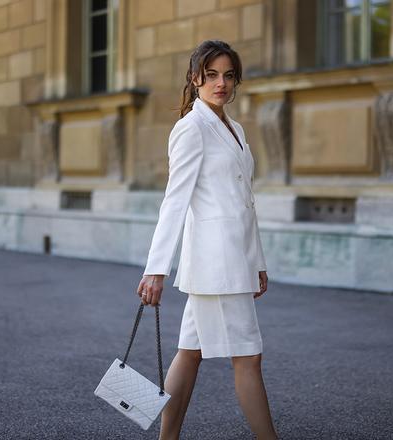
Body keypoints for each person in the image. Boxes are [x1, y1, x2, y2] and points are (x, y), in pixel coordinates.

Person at [136, 40, 278, 440]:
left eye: (228, 75)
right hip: (218, 265)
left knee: (190, 353)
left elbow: (244, 202)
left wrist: (258, 260)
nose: (221, 83)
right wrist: (156, 269)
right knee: (248, 358)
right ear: (195, 77)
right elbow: (174, 202)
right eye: (212, 74)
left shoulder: (236, 128)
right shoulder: (190, 128)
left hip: (234, 258)